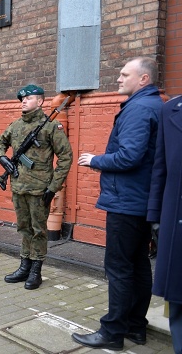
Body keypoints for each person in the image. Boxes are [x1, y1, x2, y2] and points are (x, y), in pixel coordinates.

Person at [72, 57, 162, 350]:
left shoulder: (138, 109)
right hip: (141, 201)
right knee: (138, 265)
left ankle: (111, 333)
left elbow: (130, 156)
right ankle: (136, 328)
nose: (119, 79)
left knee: (120, 267)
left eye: (125, 74)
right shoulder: (154, 106)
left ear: (144, 79)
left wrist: (95, 160)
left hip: (126, 202)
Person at [0, 84, 73, 290]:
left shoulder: (50, 127)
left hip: (40, 189)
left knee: (38, 230)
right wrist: (3, 159)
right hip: (18, 186)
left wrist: (53, 186)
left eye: (28, 99)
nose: (24, 101)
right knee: (23, 228)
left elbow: (66, 156)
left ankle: (36, 271)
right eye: (22, 99)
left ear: (40, 102)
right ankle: (24, 266)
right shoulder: (16, 126)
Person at [147, 94, 182, 354]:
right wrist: (156, 216)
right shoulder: (171, 110)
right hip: (177, 219)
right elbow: (160, 167)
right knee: (178, 300)